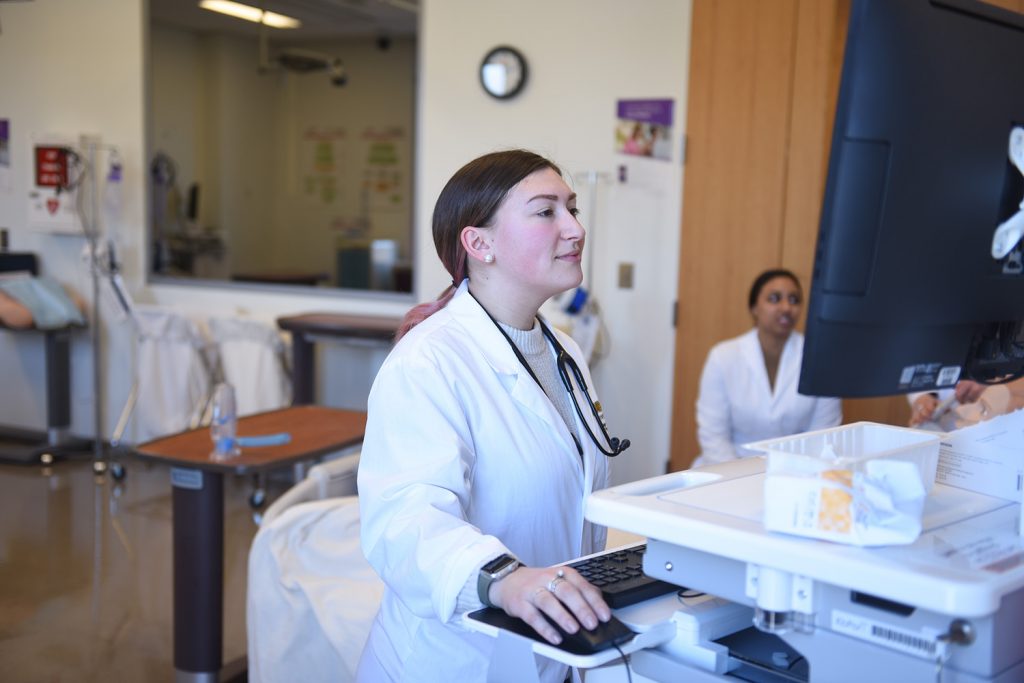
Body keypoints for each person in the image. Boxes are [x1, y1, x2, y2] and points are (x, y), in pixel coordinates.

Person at [356, 150, 624, 682]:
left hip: (550, 649)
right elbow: (404, 522)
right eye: (546, 212)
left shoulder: (564, 354)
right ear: (479, 244)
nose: (575, 229)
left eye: (572, 208)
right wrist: (503, 580)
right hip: (454, 662)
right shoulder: (429, 361)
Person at [694, 268, 842, 466]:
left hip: (796, 471)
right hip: (727, 469)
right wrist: (736, 480)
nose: (786, 308)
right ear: (754, 307)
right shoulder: (723, 357)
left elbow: (823, 434)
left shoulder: (821, 358)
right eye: (774, 298)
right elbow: (713, 435)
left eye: (794, 300)